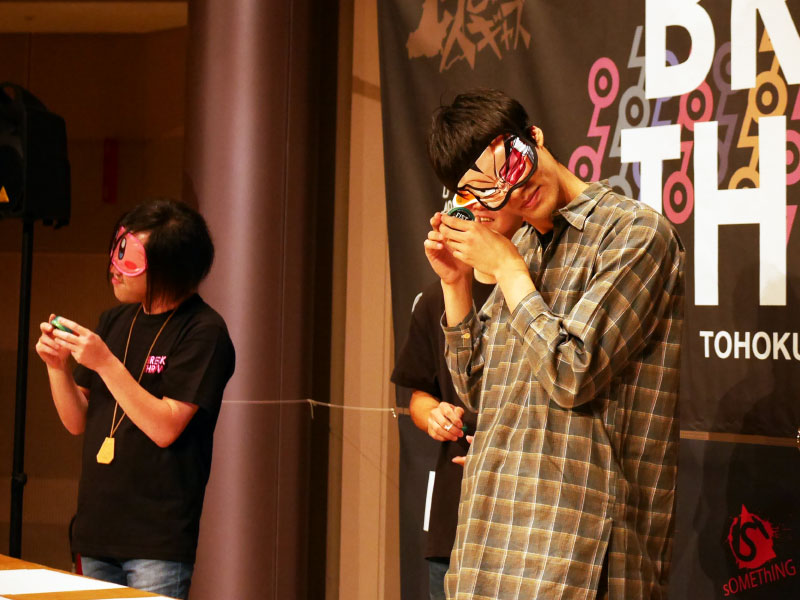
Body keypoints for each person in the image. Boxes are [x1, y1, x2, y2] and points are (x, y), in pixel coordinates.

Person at [423, 89, 685, 599]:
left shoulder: (634, 234)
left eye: (513, 165)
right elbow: (480, 396)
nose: (513, 190)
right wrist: (456, 286)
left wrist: (508, 270)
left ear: (535, 136)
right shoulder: (519, 247)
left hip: (576, 558)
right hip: (486, 547)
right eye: (487, 191)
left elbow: (572, 373)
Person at [35, 199, 235, 599]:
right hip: (95, 531)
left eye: (128, 258)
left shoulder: (203, 331)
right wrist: (57, 367)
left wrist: (105, 362)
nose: (114, 266)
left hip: (156, 542)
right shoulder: (115, 320)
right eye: (117, 249)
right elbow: (77, 421)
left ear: (168, 267)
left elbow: (165, 427)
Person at [392, 196, 523, 600]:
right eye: (471, 194)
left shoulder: (532, 295)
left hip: (525, 512)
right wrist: (433, 414)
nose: (481, 207)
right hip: (456, 513)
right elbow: (419, 394)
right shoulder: (437, 298)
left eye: (493, 192)